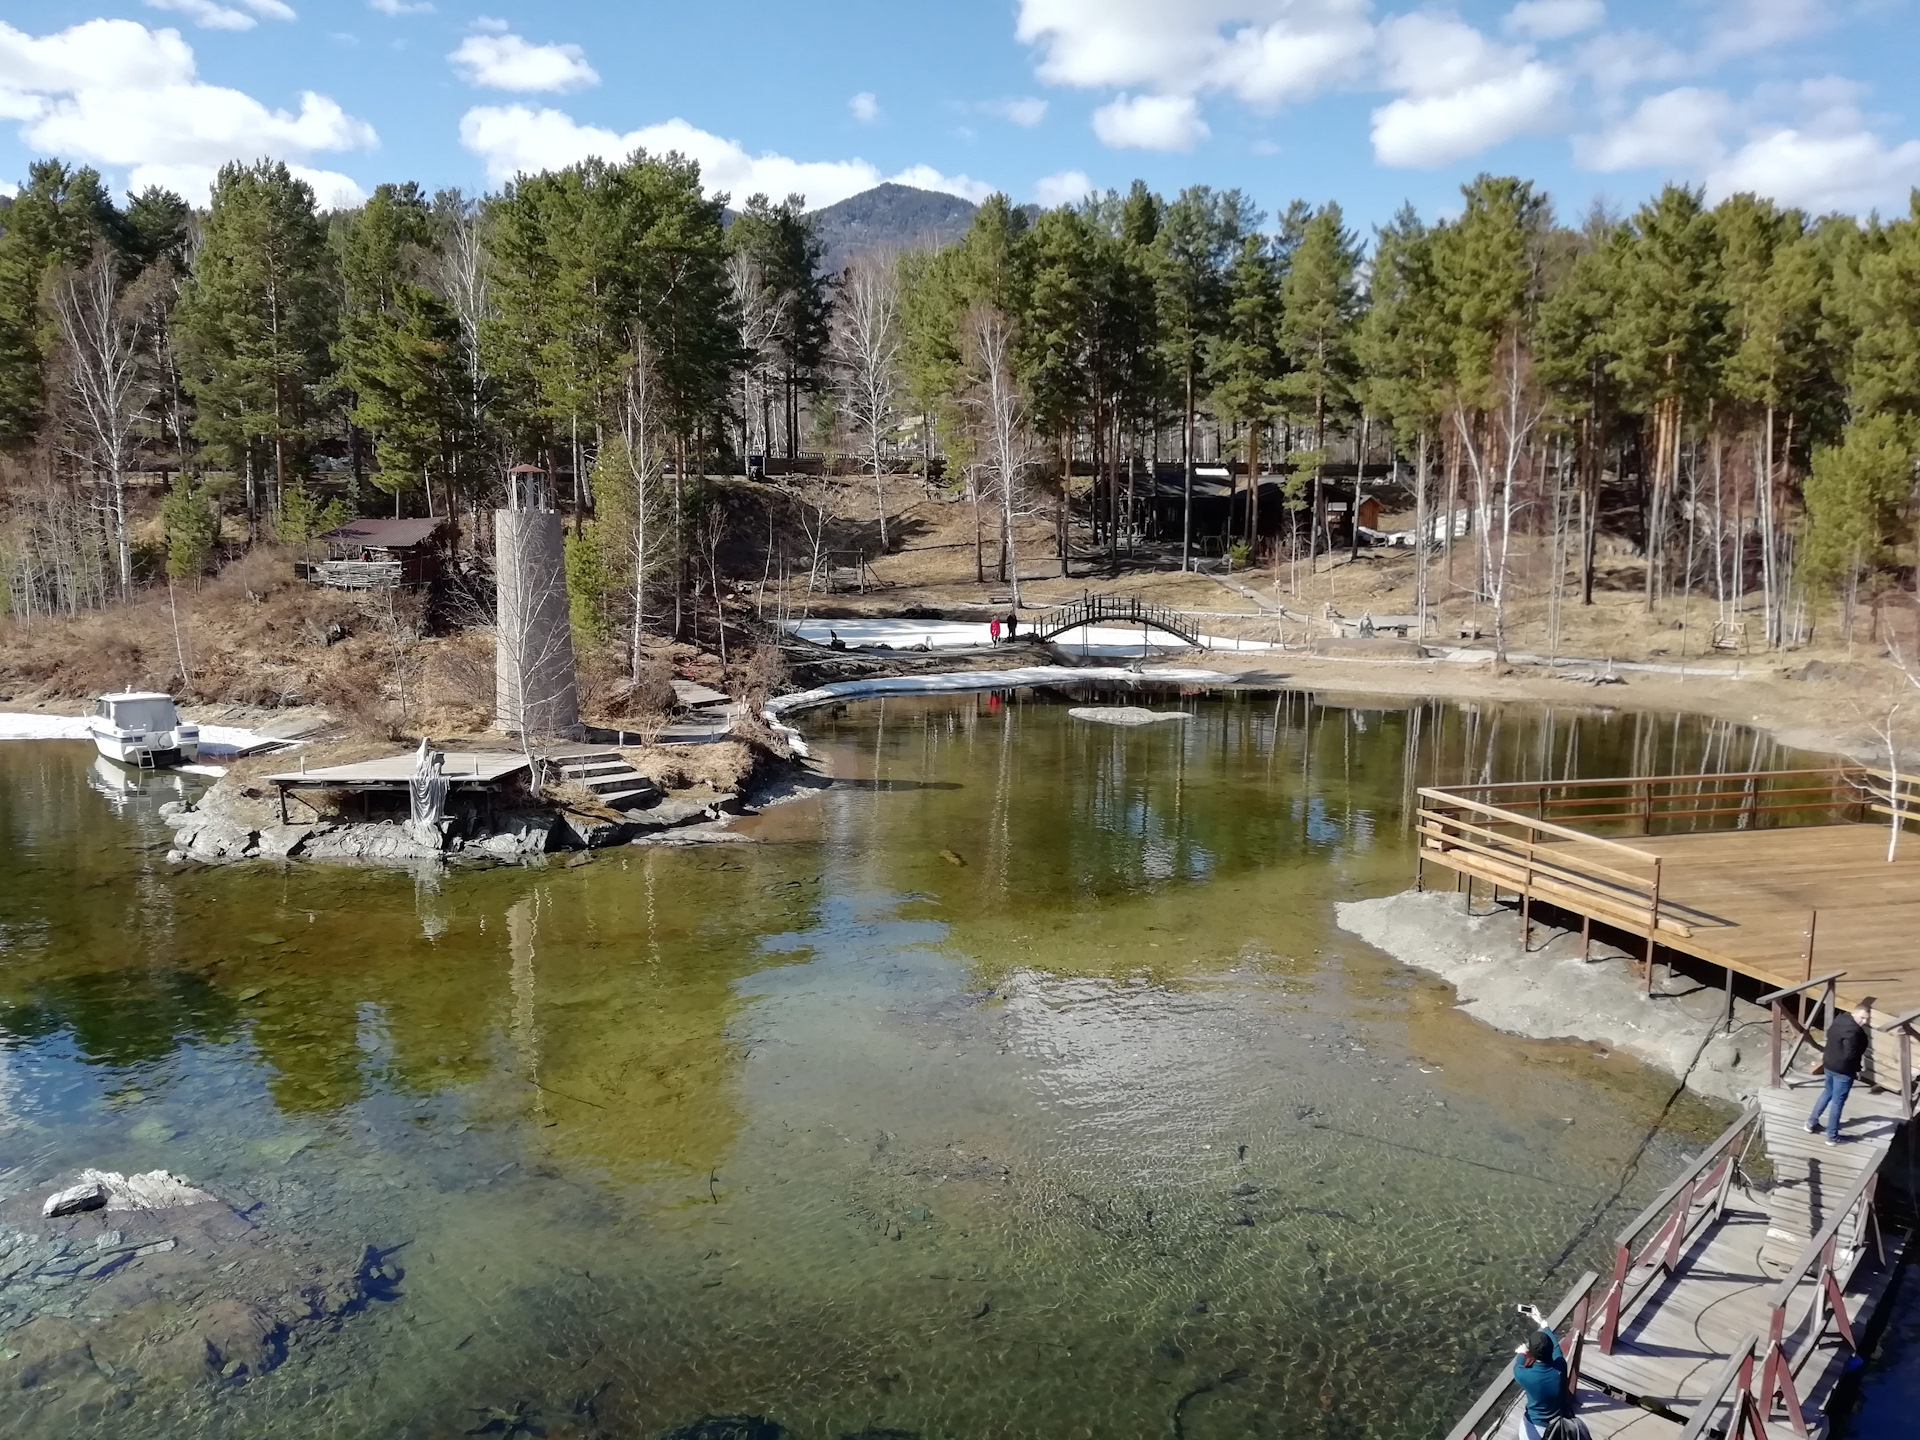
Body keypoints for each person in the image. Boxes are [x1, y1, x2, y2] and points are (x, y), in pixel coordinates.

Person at [1808, 998, 1875, 1145]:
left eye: (1866, 1019)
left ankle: (1811, 1123)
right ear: (1854, 1013)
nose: (1863, 1022)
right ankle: (1832, 1136)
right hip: (1843, 1071)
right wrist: (1856, 1068)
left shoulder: (1840, 1020)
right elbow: (1849, 1056)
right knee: (1837, 1103)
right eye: (1862, 1017)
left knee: (1827, 1093)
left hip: (1829, 1064)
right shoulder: (1854, 1033)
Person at [1512, 1305, 1572, 1440]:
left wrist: (1522, 1353)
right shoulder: (1560, 1366)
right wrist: (1543, 1324)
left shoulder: (1524, 1375)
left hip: (1535, 1425)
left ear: (1531, 1352)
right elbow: (1556, 1347)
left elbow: (1518, 1366)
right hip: (1558, 1422)